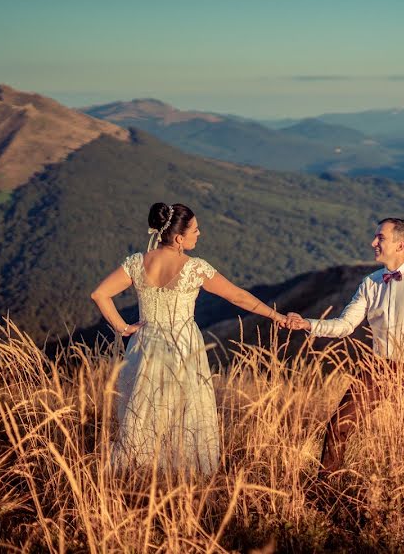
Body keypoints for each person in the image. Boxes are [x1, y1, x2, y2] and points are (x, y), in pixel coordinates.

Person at [91, 202, 288, 474]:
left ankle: (139, 472)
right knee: (184, 411)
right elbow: (238, 296)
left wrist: (123, 329)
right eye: (195, 230)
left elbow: (99, 294)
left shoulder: (137, 262)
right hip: (182, 347)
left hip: (144, 345)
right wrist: (276, 317)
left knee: (144, 409)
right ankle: (182, 473)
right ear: (179, 238)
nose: (200, 233)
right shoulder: (194, 268)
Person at [287, 218, 404, 475]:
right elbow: (345, 325)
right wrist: (306, 324)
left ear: (400, 245)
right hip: (376, 368)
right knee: (338, 426)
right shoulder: (370, 283)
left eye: (380, 238)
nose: (373, 242)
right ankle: (324, 489)